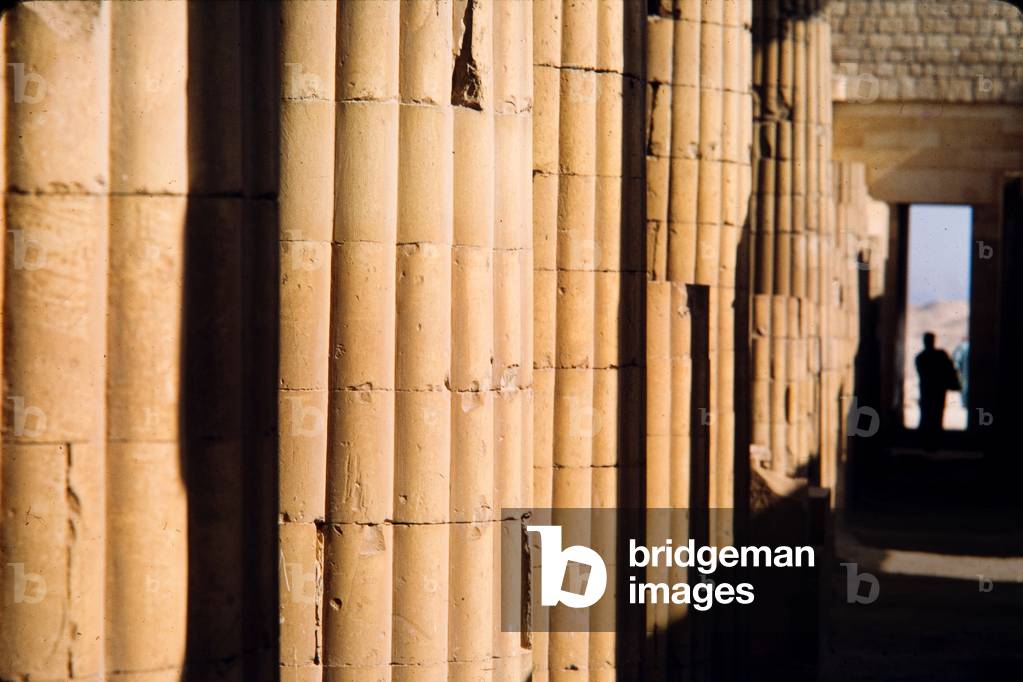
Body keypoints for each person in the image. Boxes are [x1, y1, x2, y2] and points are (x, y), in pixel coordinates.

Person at [915, 332, 960, 448]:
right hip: (938, 392)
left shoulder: (920, 357)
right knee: (937, 415)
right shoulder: (940, 355)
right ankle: (935, 442)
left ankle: (925, 443)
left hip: (926, 391)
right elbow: (949, 370)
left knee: (926, 415)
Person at [951, 338, 969, 407]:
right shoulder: (964, 347)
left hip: (963, 370)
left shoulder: (961, 347)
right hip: (965, 369)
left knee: (964, 385)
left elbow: (956, 359)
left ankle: (964, 402)